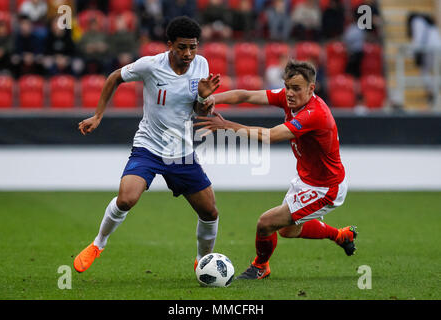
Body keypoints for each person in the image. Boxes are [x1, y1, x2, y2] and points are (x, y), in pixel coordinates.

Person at [73, 16, 221, 274]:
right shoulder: (150, 65)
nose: (188, 53)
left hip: (182, 152)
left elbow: (199, 112)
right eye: (182, 47)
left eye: (193, 47)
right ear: (169, 45)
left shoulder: (202, 65)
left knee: (209, 212)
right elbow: (114, 77)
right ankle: (98, 244)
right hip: (149, 147)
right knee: (126, 199)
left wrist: (204, 98)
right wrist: (98, 115)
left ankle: (203, 262)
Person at [194, 59, 357, 280]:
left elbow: (270, 136)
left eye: (296, 89)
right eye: (287, 87)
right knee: (288, 230)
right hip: (306, 180)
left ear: (311, 88)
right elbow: (246, 95)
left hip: (326, 188)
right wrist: (210, 99)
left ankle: (260, 266)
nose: (289, 93)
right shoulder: (290, 98)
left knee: (266, 223)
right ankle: (340, 235)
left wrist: (228, 126)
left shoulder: (315, 114)